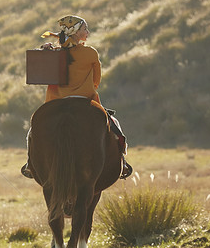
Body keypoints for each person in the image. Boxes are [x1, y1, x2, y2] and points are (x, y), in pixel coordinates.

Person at [21, 15, 133, 180]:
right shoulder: (90, 53)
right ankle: (122, 162)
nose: (87, 32)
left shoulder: (54, 52)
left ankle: (30, 164)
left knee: (33, 132)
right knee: (114, 127)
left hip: (55, 101)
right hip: (86, 99)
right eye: (84, 29)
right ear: (75, 32)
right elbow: (96, 81)